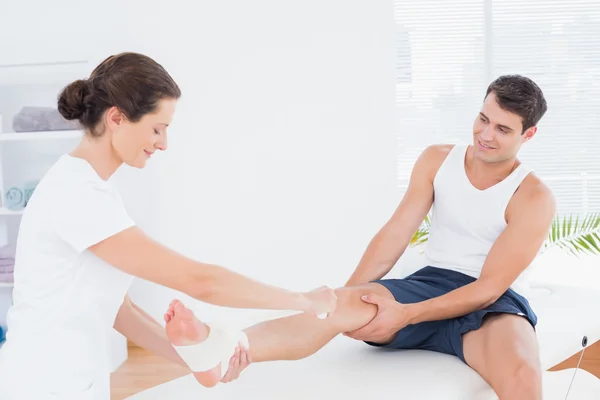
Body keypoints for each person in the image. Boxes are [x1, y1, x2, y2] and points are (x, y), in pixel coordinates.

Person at [163, 75, 555, 400]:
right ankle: (223, 351)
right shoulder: (438, 159)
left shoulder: (534, 196)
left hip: (490, 304)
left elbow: (487, 287)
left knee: (523, 373)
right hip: (429, 283)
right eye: (483, 118)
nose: (485, 134)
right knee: (336, 303)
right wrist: (349, 300)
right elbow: (396, 233)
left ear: (530, 133)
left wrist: (408, 314)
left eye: (502, 129)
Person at [0, 52, 337, 400]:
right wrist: (302, 300)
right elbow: (201, 281)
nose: (163, 143)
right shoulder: (77, 194)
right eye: (156, 128)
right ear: (117, 118)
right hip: (42, 384)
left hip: (72, 381)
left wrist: (203, 362)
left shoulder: (94, 191)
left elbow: (121, 311)